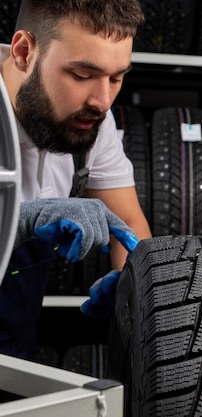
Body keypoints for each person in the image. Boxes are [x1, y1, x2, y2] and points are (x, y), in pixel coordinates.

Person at [0, 0, 151, 361]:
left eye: (116, 78)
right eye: (82, 75)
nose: (102, 100)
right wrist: (17, 222)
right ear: (24, 52)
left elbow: (128, 222)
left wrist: (138, 286)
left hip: (12, 349)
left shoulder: (91, 118)